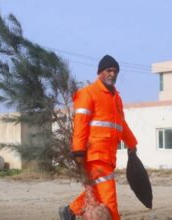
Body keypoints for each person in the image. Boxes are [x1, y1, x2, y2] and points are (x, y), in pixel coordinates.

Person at [59, 55, 138, 220]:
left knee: (97, 191)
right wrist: (78, 151)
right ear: (100, 72)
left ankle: (70, 211)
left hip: (108, 157)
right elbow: (81, 123)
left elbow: (121, 124)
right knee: (109, 199)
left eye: (115, 71)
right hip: (94, 155)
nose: (112, 74)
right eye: (109, 70)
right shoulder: (88, 93)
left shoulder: (116, 98)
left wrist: (131, 143)